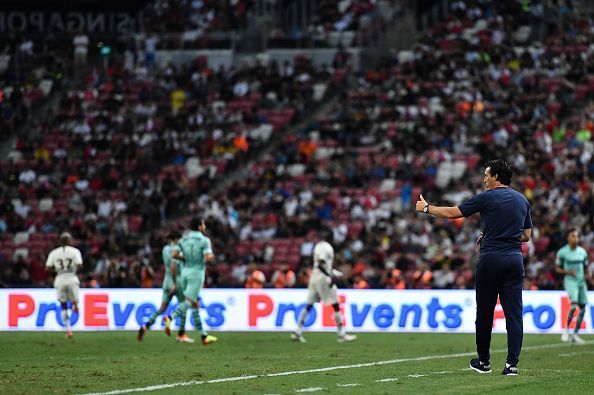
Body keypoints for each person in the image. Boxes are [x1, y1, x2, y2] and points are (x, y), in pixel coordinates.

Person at [415, 159, 532, 376]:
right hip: (515, 260)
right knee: (514, 314)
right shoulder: (522, 200)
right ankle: (511, 365)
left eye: (487, 175)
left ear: (496, 176)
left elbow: (452, 214)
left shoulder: (486, 197)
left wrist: (426, 208)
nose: (484, 179)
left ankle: (484, 362)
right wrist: (499, 233)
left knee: (485, 313)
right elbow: (526, 235)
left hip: (491, 259)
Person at [291, 233, 357, 343]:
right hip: (323, 279)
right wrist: (330, 276)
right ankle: (341, 334)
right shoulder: (327, 247)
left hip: (314, 278)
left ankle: (298, 331)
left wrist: (335, 272)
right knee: (335, 305)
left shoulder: (318, 246)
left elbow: (320, 265)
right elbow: (322, 263)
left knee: (309, 305)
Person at [164, 218, 218, 345]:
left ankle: (204, 336)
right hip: (196, 273)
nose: (204, 226)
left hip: (185, 273)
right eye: (203, 224)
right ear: (200, 226)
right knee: (189, 301)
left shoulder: (183, 239)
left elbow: (175, 255)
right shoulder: (204, 240)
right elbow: (207, 257)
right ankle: (170, 317)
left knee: (195, 304)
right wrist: (212, 257)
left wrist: (186, 258)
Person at [137, 230, 193, 343]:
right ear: (177, 239)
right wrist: (175, 284)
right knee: (184, 306)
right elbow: (174, 266)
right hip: (177, 281)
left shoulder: (165, 249)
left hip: (166, 281)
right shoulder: (178, 249)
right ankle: (181, 334)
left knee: (161, 309)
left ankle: (145, 326)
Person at [555, 228, 592, 344]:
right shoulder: (562, 252)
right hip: (570, 281)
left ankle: (575, 334)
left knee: (583, 309)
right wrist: (567, 272)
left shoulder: (582, 252)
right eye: (573, 236)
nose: (576, 238)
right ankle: (566, 329)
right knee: (573, 306)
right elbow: (557, 268)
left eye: (577, 236)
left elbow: (586, 267)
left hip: (581, 282)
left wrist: (589, 277)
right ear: (568, 238)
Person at [45, 232, 83, 338]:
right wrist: (75, 272)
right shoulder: (75, 251)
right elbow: (80, 265)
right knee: (75, 299)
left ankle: (68, 329)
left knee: (63, 306)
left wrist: (56, 271)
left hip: (60, 279)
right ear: (69, 240)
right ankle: (75, 302)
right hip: (72, 278)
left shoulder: (53, 253)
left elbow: (47, 268)